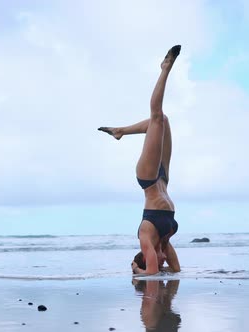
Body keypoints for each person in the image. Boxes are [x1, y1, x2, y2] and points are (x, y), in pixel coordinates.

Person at [98, 45, 182, 275]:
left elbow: (152, 272)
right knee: (163, 121)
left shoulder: (146, 237)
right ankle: (120, 131)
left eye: (158, 259)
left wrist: (138, 270)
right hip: (163, 180)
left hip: (148, 179)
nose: (164, 260)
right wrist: (164, 267)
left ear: (147, 255)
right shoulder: (164, 239)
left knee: (157, 116)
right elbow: (176, 269)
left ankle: (165, 68)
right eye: (162, 259)